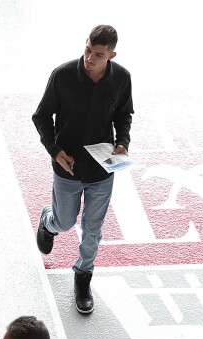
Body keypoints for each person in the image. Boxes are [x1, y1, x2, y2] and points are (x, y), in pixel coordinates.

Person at [32, 24, 134, 314]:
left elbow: (123, 115)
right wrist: (55, 151)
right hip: (68, 167)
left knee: (93, 229)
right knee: (64, 222)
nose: (90, 58)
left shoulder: (122, 79)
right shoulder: (62, 75)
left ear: (111, 55)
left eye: (98, 54)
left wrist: (123, 143)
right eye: (88, 49)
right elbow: (41, 116)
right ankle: (47, 222)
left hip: (102, 171)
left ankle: (83, 277)